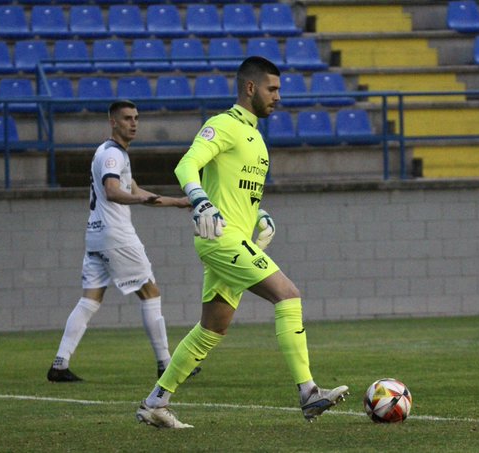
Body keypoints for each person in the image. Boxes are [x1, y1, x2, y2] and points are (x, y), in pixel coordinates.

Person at [135, 57, 348, 429]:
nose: (278, 97)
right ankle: (309, 392)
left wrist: (257, 214)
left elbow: (235, 193)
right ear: (251, 88)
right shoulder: (223, 125)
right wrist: (200, 200)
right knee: (288, 294)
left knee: (212, 329)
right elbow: (185, 166)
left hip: (234, 236)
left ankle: (155, 402)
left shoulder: (256, 139)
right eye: (273, 89)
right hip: (220, 239)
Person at [47, 100, 200, 382]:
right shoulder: (112, 155)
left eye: (136, 118)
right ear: (113, 122)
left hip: (96, 234)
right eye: (128, 118)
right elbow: (113, 191)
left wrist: (177, 202)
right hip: (115, 234)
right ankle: (166, 364)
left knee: (89, 300)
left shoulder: (113, 154)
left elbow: (136, 190)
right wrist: (139, 198)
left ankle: (59, 364)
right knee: (150, 292)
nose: (134, 123)